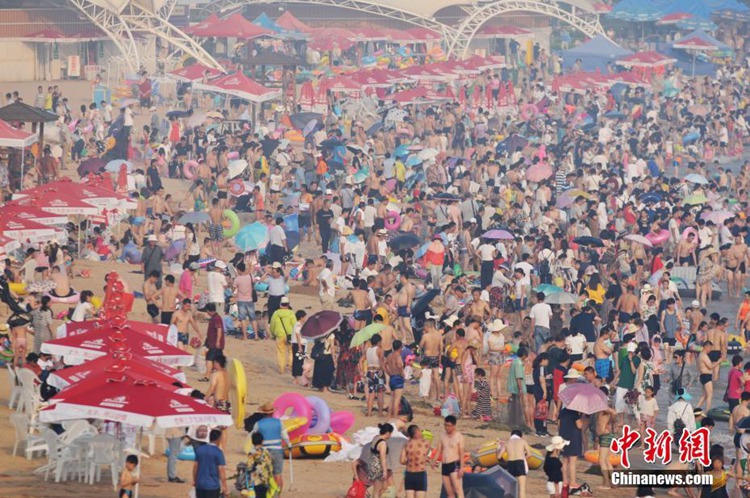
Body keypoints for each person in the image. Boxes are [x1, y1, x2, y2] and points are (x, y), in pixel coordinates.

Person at [252, 402, 291, 496]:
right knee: (277, 473)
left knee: (264, 473)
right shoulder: (279, 422)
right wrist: (289, 444)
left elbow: (254, 437)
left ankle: (265, 494)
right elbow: (285, 436)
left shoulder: (258, 424)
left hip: (263, 451)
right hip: (277, 450)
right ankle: (277, 495)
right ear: (273, 412)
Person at [431, 415, 465, 498]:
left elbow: (461, 454)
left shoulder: (459, 437)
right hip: (445, 465)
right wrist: (433, 461)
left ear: (454, 426)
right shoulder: (443, 436)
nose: (447, 428)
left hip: (454, 464)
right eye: (445, 425)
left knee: (458, 490)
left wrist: (461, 468)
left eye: (449, 426)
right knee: (449, 492)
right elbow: (439, 450)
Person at [193, 429, 228, 498]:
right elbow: (221, 471)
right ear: (218, 439)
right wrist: (225, 487)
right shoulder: (218, 452)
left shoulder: (199, 449)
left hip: (200, 484)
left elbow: (195, 467)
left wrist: (195, 480)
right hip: (213, 485)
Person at [400, 424, 431, 498]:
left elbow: (402, 460)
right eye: (420, 431)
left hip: (409, 474)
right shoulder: (426, 443)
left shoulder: (406, 444)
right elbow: (427, 455)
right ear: (417, 432)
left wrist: (409, 462)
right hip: (420, 473)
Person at [269, 296, 296, 375]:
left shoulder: (276, 313)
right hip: (290, 335)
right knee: (291, 351)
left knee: (281, 352)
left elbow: (272, 325)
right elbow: (294, 324)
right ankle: (290, 364)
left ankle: (281, 368)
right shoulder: (291, 313)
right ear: (288, 304)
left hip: (279, 335)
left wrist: (273, 333)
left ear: (280, 304)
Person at [368, 423, 394, 498]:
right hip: (378, 468)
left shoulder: (375, 438)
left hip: (372, 465)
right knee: (377, 490)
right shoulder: (382, 443)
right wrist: (385, 471)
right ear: (388, 433)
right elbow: (383, 458)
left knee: (382, 487)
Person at [246, 432, 274, 498]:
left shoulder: (252, 453)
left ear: (252, 442)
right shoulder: (266, 452)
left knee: (257, 494)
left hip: (256, 479)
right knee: (264, 495)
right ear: (262, 441)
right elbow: (270, 464)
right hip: (265, 478)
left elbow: (249, 466)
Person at [505, 429, 532, 498]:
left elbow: (499, 456)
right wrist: (524, 459)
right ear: (520, 436)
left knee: (511, 486)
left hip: (510, 463)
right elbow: (529, 455)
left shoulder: (507, 443)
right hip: (520, 462)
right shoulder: (523, 441)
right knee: (522, 487)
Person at [202, 303, 224, 382]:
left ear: (208, 310)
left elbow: (219, 330)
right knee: (217, 360)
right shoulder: (215, 318)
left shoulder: (216, 318)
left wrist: (217, 341)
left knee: (209, 358)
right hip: (214, 342)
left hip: (214, 343)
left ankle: (207, 376)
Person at [384, 339, 405, 418]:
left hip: (392, 377)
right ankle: (395, 417)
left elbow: (384, 365)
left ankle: (389, 416)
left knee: (392, 398)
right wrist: (402, 374)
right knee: (397, 399)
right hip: (398, 377)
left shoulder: (389, 355)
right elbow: (399, 365)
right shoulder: (398, 356)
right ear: (400, 347)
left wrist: (388, 372)